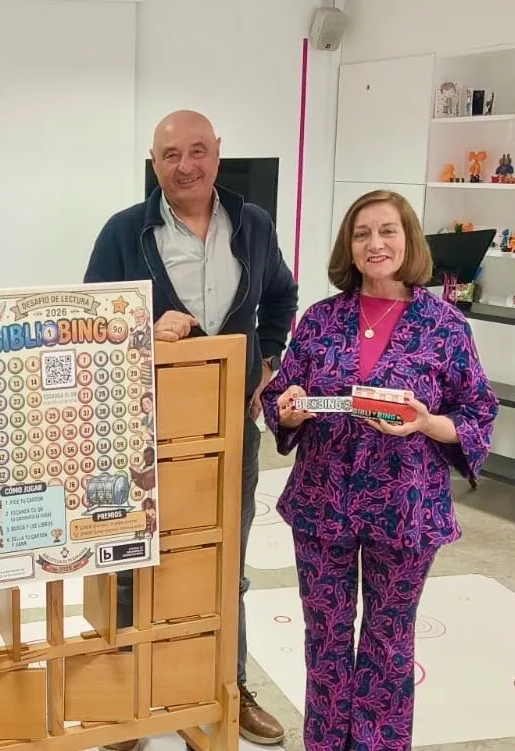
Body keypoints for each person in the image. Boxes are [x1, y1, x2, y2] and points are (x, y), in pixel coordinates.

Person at [83, 110, 297, 749]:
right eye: (171, 155)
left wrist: (267, 359)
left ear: (218, 154)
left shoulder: (254, 226)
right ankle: (129, 701)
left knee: (224, 560)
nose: (186, 166)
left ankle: (228, 684)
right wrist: (143, 335)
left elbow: (280, 296)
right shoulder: (124, 232)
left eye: (198, 151)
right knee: (132, 562)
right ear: (154, 163)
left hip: (231, 429)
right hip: (141, 435)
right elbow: (88, 324)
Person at [261, 190, 497, 751]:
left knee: (389, 644)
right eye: (362, 233)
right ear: (349, 245)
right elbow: (280, 396)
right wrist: (287, 408)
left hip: (406, 508)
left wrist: (426, 423)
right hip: (322, 504)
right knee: (325, 639)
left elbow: (478, 413)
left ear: (409, 239)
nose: (375, 244)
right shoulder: (320, 320)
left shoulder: (445, 326)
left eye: (388, 231)